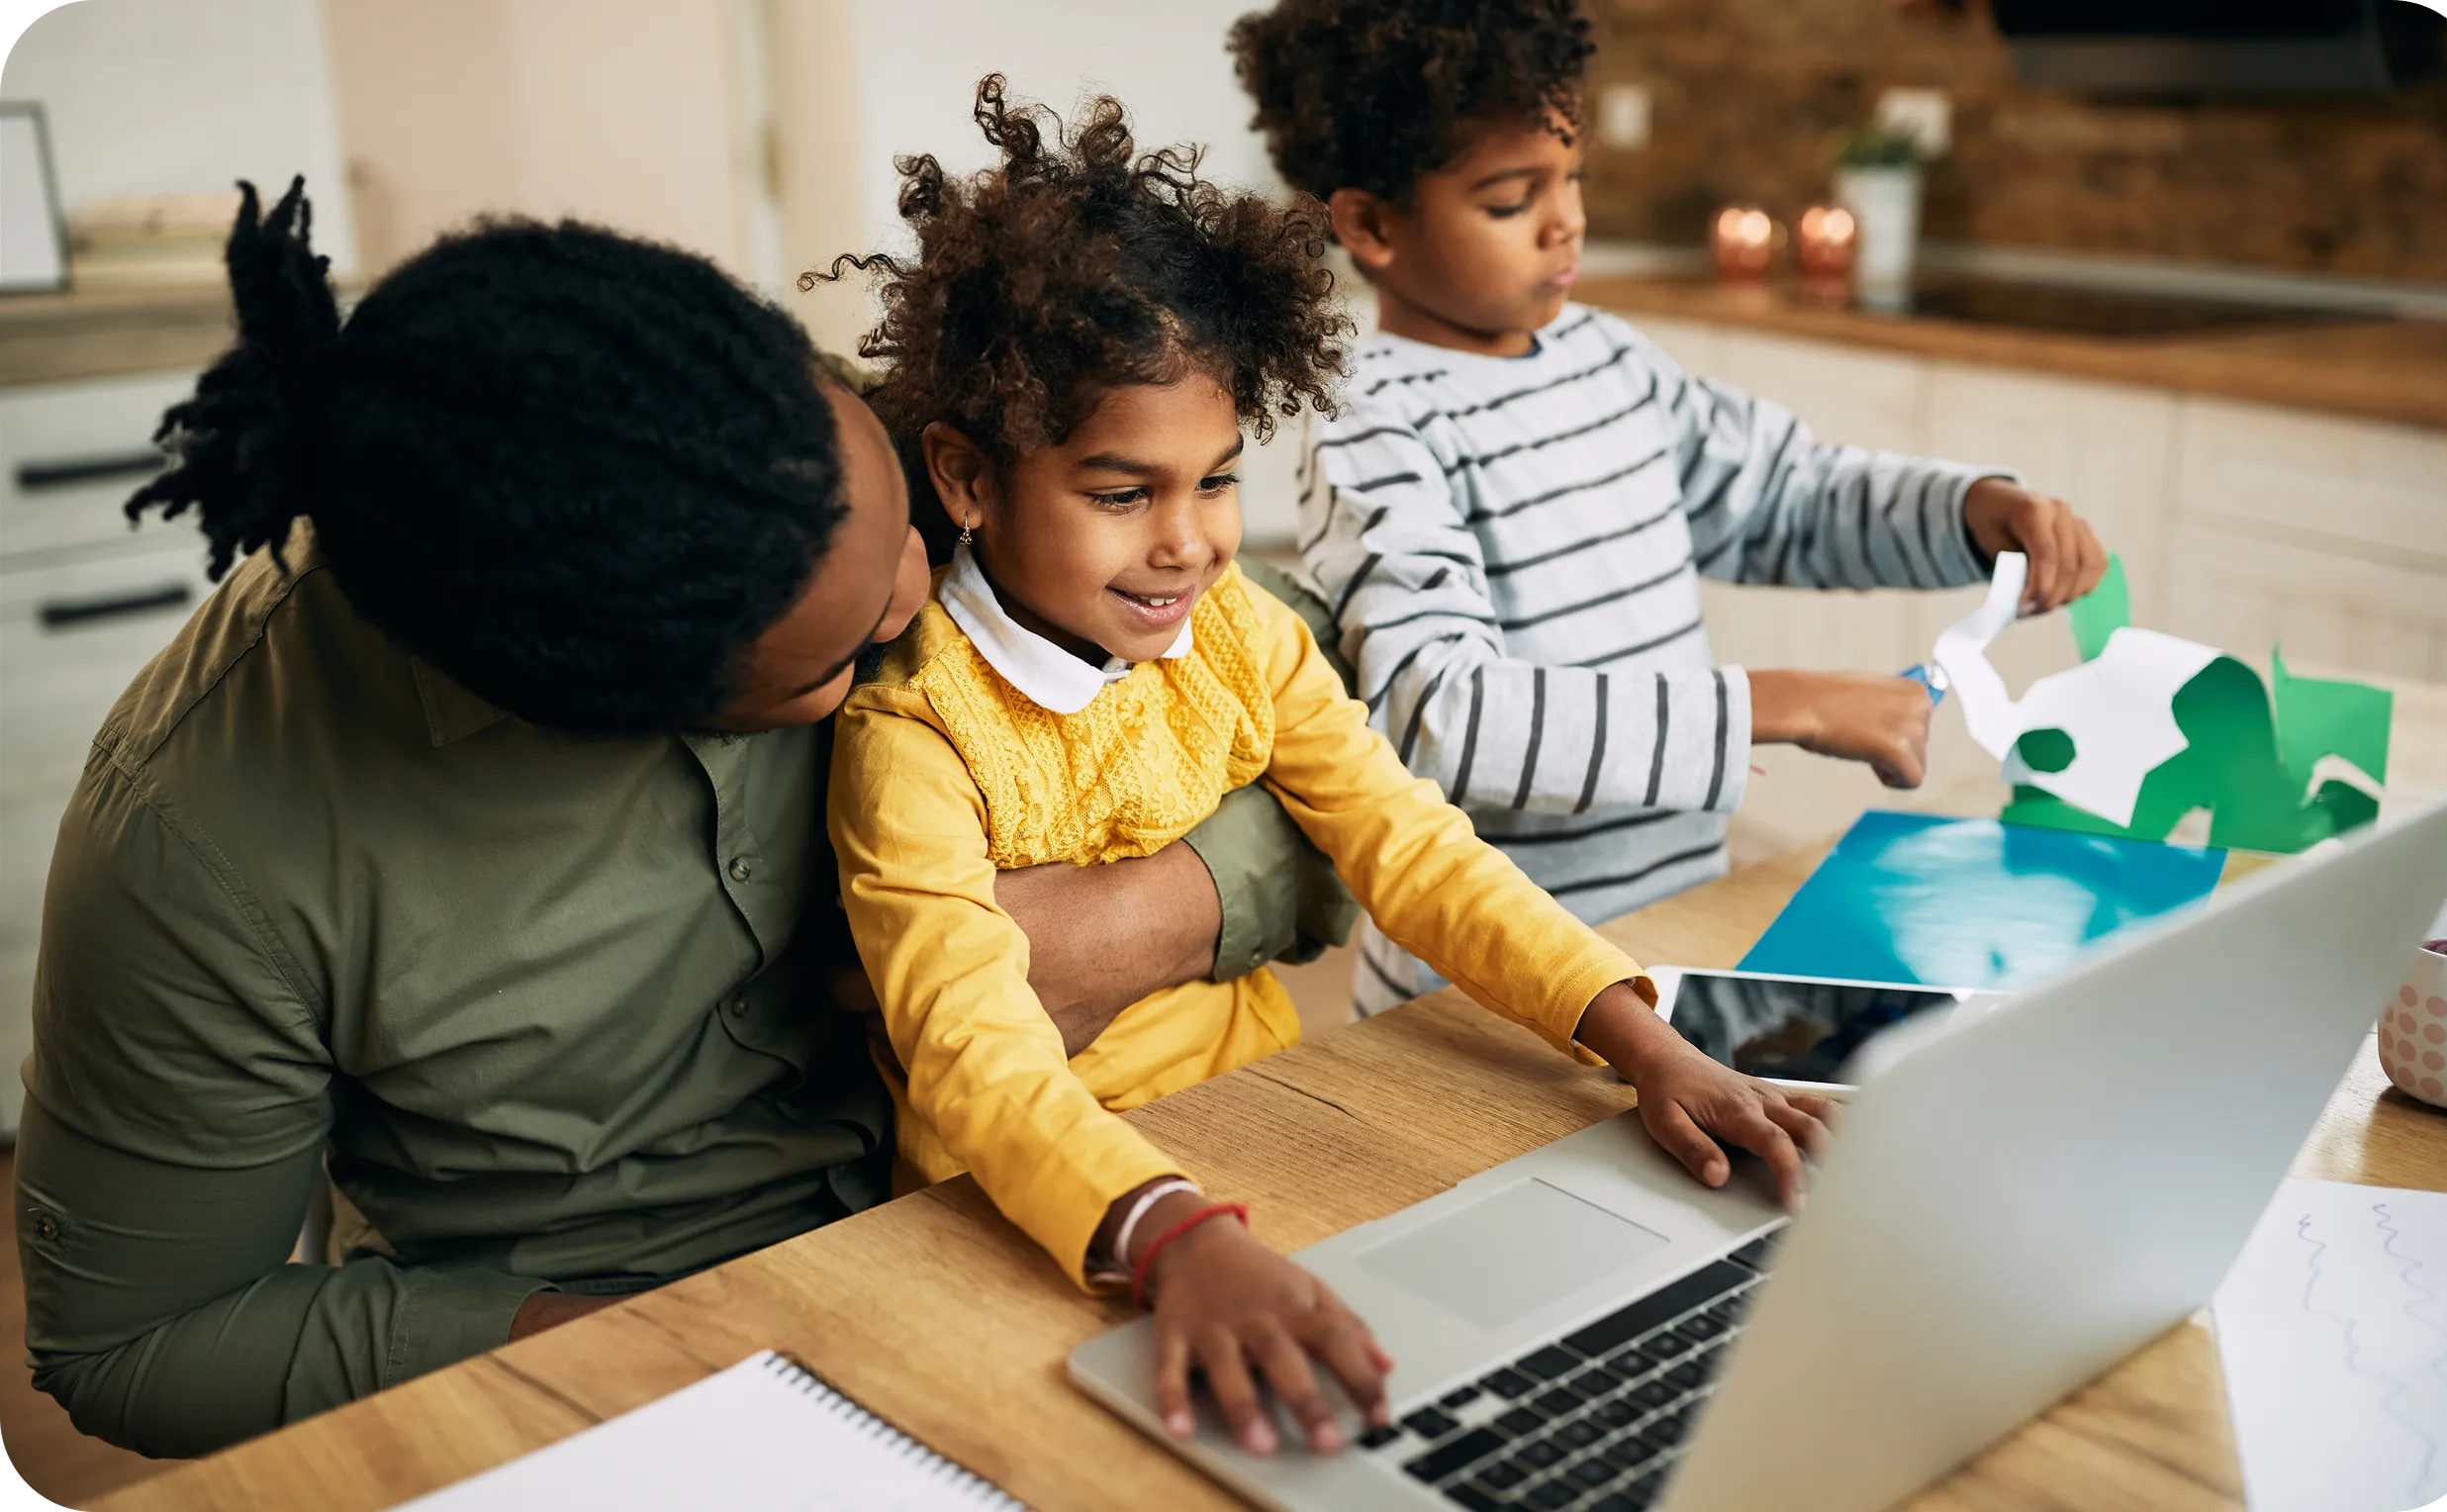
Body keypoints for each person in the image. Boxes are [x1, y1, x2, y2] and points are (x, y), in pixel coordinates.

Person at [16, 181, 1348, 1458]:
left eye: (903, 517)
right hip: (648, 1369)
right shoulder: (198, 838)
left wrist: (1153, 916)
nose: (919, 593)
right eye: (840, 664)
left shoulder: (813, 448)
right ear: (618, 710)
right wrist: (633, 1353)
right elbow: (141, 1341)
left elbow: (1306, 688)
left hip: (1083, 1195)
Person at [824, 77, 1837, 1462]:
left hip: (1263, 1131)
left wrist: (1644, 1039)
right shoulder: (916, 733)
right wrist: (1173, 1237)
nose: (1187, 543)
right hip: (1049, 1214)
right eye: (1122, 493)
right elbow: (972, 1052)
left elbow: (1411, 846)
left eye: (1216, 479)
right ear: (965, 478)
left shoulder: (1239, 634)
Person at [1231, 0, 2113, 1016]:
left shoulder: (1610, 359)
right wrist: (1781, 702)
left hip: (1677, 936)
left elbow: (1783, 497)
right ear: (1371, 226)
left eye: (1573, 178)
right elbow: (1441, 714)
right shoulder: (1373, 424)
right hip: (1494, 989)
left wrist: (1967, 509)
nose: (1566, 221)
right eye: (1512, 200)